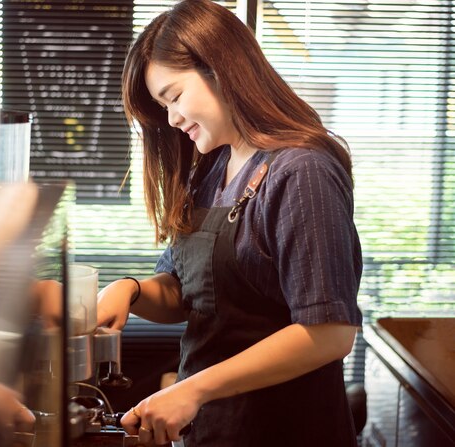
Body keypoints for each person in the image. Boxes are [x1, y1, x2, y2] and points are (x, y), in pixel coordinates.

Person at [96, 1, 363, 446]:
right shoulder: (213, 169)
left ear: (221, 69)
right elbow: (188, 292)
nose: (172, 119)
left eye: (175, 97)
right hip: (219, 429)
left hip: (287, 430)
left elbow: (330, 333)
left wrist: (194, 389)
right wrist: (133, 290)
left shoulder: (302, 171)